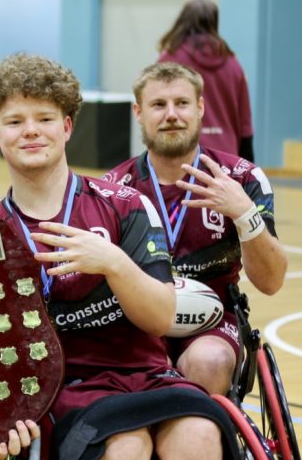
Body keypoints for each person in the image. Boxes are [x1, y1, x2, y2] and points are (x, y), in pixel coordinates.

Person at [0, 54, 225, 458]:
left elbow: (161, 317)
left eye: (44, 118)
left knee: (198, 433)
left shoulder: (125, 205)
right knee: (127, 445)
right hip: (66, 388)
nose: (31, 132)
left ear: (67, 126)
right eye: (15, 121)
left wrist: (113, 262)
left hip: (147, 375)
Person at [103, 62, 286, 395]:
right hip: (137, 323)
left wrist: (244, 213)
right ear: (138, 112)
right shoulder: (112, 190)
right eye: (158, 105)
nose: (171, 114)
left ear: (200, 108)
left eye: (182, 103)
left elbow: (272, 282)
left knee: (209, 362)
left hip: (214, 322)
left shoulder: (242, 178)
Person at [158, 0, 254, 160]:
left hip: (182, 152)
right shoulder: (233, 64)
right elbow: (245, 123)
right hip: (227, 155)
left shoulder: (169, 60)